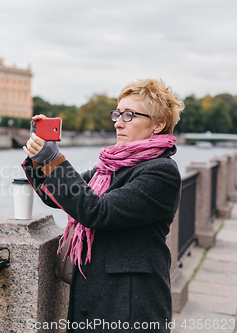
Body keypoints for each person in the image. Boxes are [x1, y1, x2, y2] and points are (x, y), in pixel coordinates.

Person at [22, 79, 184, 332]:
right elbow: (58, 197)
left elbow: (98, 212)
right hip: (98, 297)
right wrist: (38, 157)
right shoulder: (110, 168)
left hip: (130, 304)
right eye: (118, 114)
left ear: (158, 124)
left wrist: (54, 160)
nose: (118, 122)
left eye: (130, 115)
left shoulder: (161, 172)